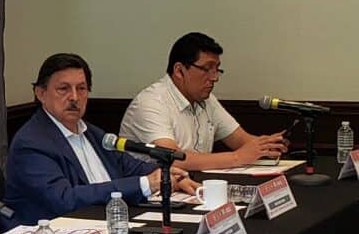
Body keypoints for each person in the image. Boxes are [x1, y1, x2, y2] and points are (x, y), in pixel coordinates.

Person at [4, 53, 198, 226]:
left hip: (108, 225)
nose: (74, 97)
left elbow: (129, 166)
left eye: (81, 88)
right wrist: (145, 183)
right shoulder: (31, 143)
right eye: (63, 89)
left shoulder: (92, 133)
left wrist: (165, 175)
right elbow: (64, 199)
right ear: (41, 94)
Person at [120, 32, 287, 170]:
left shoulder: (207, 100)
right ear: (179, 71)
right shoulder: (150, 103)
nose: (214, 78)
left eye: (217, 69)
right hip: (150, 194)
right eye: (207, 69)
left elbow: (240, 140)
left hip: (194, 187)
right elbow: (173, 158)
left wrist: (266, 147)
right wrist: (238, 157)